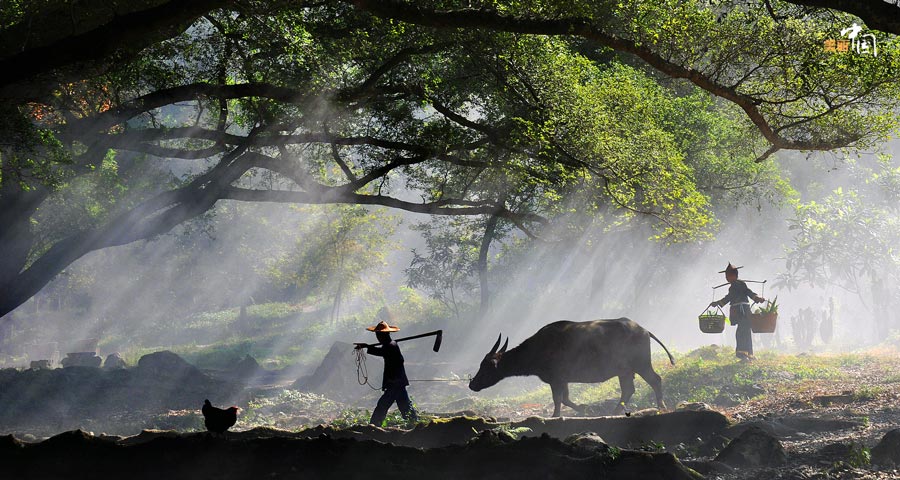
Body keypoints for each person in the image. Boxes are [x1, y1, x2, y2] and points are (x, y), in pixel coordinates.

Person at [354, 309, 418, 426]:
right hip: (397, 383)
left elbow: (382, 352)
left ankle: (374, 426)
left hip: (395, 383)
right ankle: (415, 424)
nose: (377, 337)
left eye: (378, 335)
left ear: (383, 335)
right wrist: (367, 346)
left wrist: (367, 346)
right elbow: (382, 351)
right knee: (405, 406)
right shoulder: (390, 345)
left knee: (383, 406)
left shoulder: (390, 346)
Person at [710, 263, 765, 361]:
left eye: (728, 276)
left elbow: (729, 297)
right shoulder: (740, 284)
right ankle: (749, 354)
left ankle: (743, 355)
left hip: (740, 311)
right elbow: (749, 292)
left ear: (734, 275)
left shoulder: (735, 286)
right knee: (746, 331)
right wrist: (757, 298)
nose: (727, 278)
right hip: (745, 311)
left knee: (741, 332)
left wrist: (718, 303)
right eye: (726, 276)